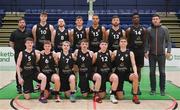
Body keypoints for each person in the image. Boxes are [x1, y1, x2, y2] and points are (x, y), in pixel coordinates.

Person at [145, 14, 172, 96]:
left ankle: (162, 90)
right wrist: (145, 51)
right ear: (152, 21)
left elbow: (169, 41)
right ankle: (153, 90)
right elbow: (146, 42)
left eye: (156, 19)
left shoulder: (164, 29)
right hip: (152, 55)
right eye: (153, 19)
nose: (155, 20)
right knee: (151, 72)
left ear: (159, 20)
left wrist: (168, 51)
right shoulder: (149, 30)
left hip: (162, 55)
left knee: (162, 72)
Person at [16, 37, 47, 103]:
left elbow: (45, 52)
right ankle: (24, 87)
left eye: (31, 43)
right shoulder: (22, 53)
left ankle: (42, 95)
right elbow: (18, 66)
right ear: (25, 44)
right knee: (27, 98)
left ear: (33, 44)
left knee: (44, 77)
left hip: (34, 72)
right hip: (26, 74)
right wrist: (19, 77)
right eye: (28, 43)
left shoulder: (36, 51)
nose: (30, 44)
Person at [112, 37, 140, 104]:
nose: (123, 43)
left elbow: (133, 64)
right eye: (121, 41)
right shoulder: (115, 52)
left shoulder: (130, 53)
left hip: (127, 74)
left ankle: (135, 96)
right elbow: (111, 64)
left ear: (127, 43)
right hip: (118, 75)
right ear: (119, 43)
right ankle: (114, 90)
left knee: (135, 76)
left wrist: (135, 72)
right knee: (120, 98)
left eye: (124, 41)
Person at [9, 18, 32, 94]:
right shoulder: (14, 33)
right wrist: (16, 50)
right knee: (19, 69)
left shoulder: (29, 32)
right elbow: (11, 43)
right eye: (20, 22)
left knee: (28, 68)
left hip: (27, 54)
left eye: (23, 22)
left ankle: (28, 86)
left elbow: (32, 41)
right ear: (18, 24)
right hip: (18, 54)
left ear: (25, 24)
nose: (22, 24)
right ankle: (19, 86)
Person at [126, 13, 147, 95]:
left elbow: (145, 42)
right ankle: (132, 86)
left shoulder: (144, 30)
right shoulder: (129, 30)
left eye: (137, 17)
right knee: (130, 70)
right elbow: (127, 41)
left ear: (139, 19)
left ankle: (137, 87)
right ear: (132, 19)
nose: (136, 19)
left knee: (138, 70)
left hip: (140, 52)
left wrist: (145, 51)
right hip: (131, 52)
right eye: (134, 18)